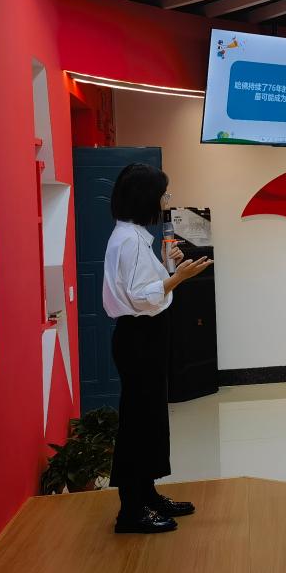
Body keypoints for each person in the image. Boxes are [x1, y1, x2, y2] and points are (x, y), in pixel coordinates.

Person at [102, 163, 213, 534]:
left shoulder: (132, 235)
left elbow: (142, 286)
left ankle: (146, 494)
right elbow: (141, 297)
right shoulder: (130, 240)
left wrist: (169, 267)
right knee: (139, 423)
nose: (167, 199)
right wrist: (178, 278)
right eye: (163, 193)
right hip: (140, 337)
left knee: (149, 419)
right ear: (145, 197)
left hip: (142, 336)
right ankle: (131, 511)